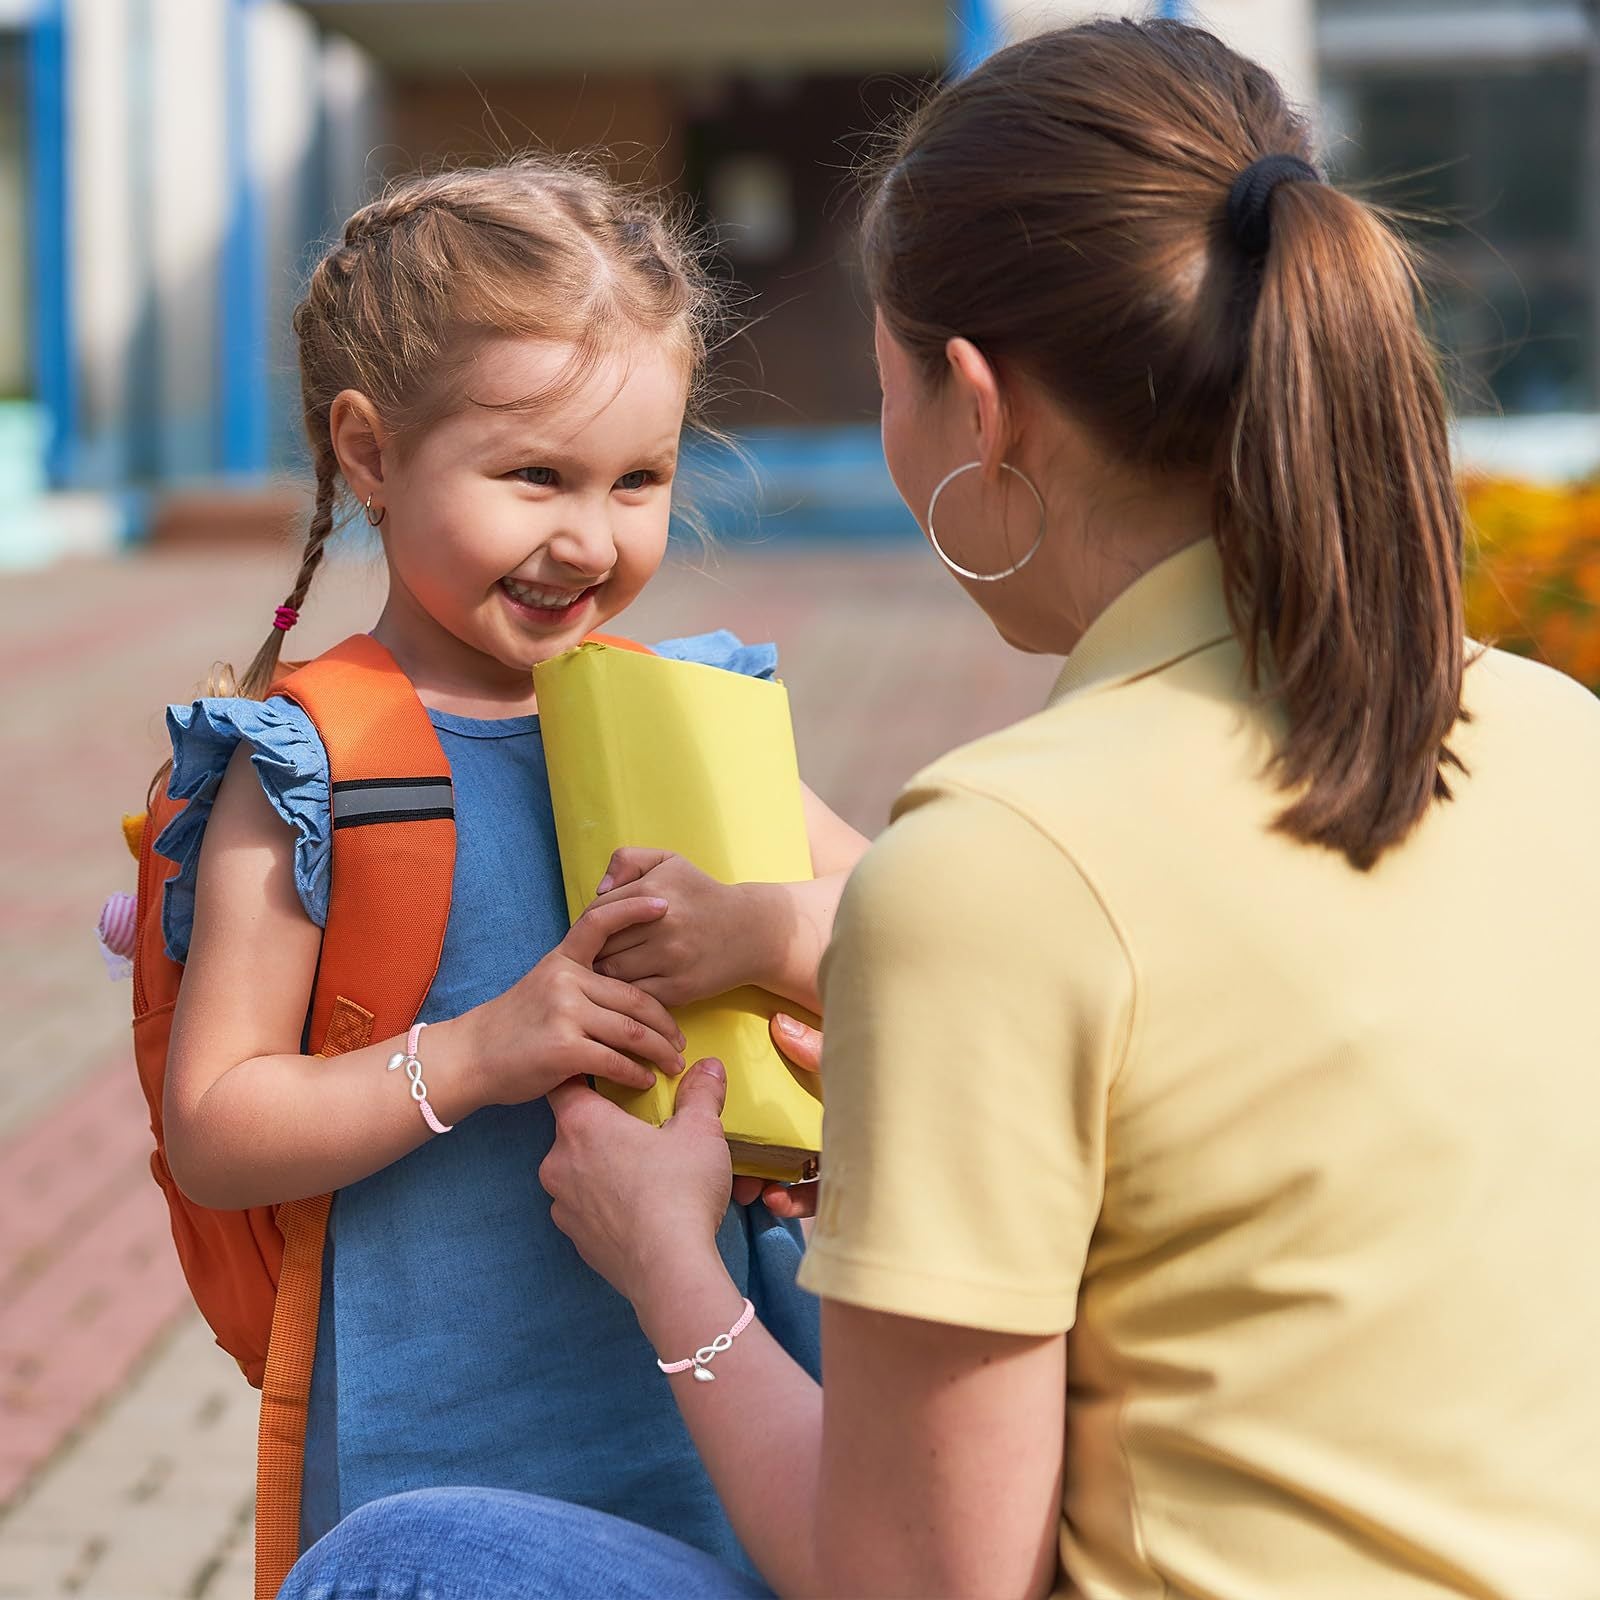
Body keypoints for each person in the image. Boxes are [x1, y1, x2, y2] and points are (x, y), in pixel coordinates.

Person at [279, 18, 1600, 1600]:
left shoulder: (1005, 860)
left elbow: (917, 1583)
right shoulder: (1557, 734)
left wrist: (671, 1267)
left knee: (409, 1557)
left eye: (884, 375)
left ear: (977, 404)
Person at [155, 157, 865, 1575]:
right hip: (440, 1481)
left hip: (721, 1450)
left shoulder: (689, 718)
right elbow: (217, 1128)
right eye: (536, 475)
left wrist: (758, 929)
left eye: (639, 479)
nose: (588, 539)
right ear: (369, 454)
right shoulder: (312, 768)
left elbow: (915, 922)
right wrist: (479, 1053)